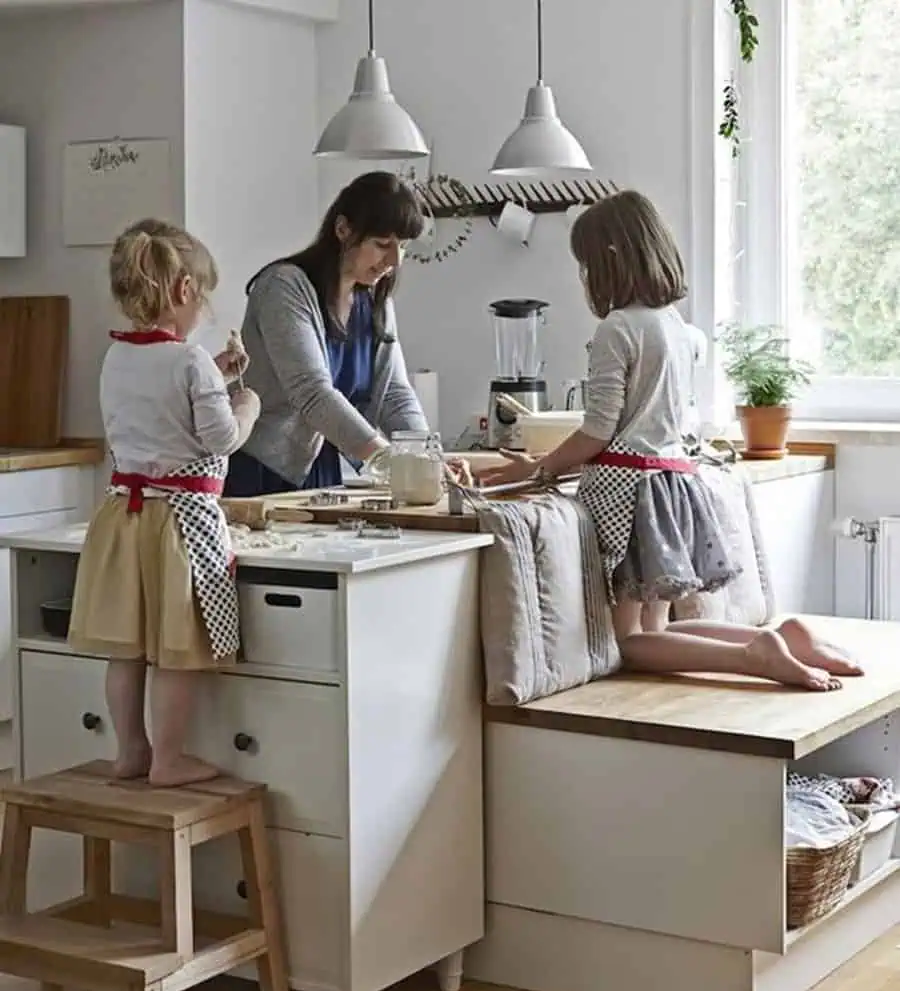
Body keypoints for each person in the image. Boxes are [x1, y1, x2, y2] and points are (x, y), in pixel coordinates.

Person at [481, 190, 862, 691]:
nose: (585, 277)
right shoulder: (680, 330)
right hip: (674, 485)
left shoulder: (617, 329)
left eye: (587, 264)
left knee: (628, 643)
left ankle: (755, 656)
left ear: (611, 258)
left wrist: (537, 468)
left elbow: (598, 431)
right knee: (657, 627)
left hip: (628, 495)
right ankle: (781, 639)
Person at [67, 218, 261, 786]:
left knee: (126, 648)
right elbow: (221, 439)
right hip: (179, 523)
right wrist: (244, 402)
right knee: (177, 649)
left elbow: (160, 414)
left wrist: (213, 382)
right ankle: (170, 761)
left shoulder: (117, 358)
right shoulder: (190, 362)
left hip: (122, 518)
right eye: (203, 297)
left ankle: (131, 751)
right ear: (183, 292)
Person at [224, 171, 430, 496]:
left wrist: (426, 457)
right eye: (382, 245)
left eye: (402, 247)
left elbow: (394, 394)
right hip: (259, 470)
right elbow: (311, 392)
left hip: (321, 470)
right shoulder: (283, 287)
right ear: (343, 229)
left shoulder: (374, 301)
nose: (394, 261)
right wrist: (384, 459)